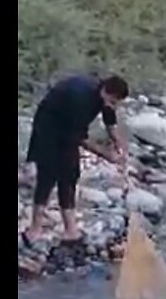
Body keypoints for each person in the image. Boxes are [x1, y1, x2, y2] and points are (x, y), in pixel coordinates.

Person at [22, 74, 130, 244]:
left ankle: (71, 230)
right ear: (106, 92)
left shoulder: (103, 95)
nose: (113, 106)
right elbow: (79, 137)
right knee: (47, 177)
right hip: (48, 130)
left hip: (69, 129)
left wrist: (119, 143)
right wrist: (106, 154)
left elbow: (110, 119)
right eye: (114, 102)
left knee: (70, 175)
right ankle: (34, 230)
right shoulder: (80, 98)